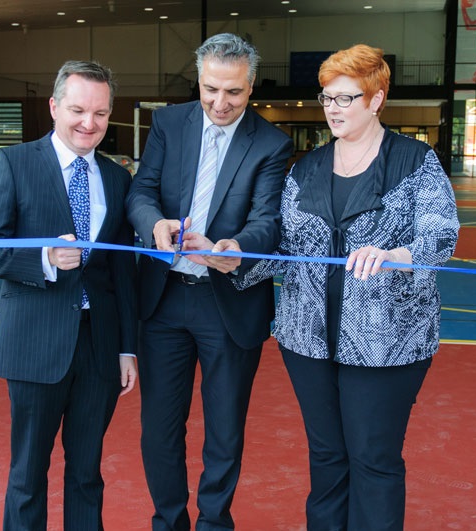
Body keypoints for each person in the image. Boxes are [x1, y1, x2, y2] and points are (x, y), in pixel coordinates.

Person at [186, 44, 459, 530]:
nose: (333, 108)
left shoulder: (415, 161)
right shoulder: (305, 169)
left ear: (376, 100)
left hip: (386, 345)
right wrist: (230, 262)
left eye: (346, 98)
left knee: (374, 459)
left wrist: (398, 256)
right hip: (307, 341)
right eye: (327, 98)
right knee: (327, 457)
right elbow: (284, 247)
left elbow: (440, 233)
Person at [125, 33, 293, 530]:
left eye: (234, 92)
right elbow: (142, 191)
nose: (220, 103)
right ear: (199, 81)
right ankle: (169, 522)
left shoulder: (271, 143)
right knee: (159, 429)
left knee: (224, 431)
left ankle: (215, 523)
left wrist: (236, 248)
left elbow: (268, 219)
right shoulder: (168, 124)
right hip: (163, 301)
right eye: (210, 89)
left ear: (251, 86)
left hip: (228, 304)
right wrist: (152, 223)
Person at [0, 60, 138, 530]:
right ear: (53, 107)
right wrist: (42, 258)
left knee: (87, 474)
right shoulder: (12, 164)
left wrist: (128, 347)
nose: (89, 123)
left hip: (99, 348)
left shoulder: (118, 178)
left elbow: (122, 272)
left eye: (101, 113)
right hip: (34, 345)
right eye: (78, 110)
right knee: (28, 475)